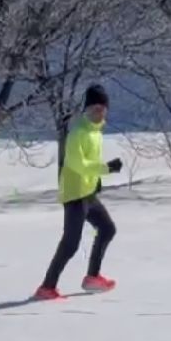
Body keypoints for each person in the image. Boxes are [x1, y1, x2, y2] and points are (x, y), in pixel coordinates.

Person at [34, 84, 123, 301]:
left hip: (88, 192)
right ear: (86, 109)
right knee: (71, 244)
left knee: (107, 229)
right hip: (74, 194)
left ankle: (92, 278)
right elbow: (78, 164)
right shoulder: (78, 132)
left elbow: (89, 164)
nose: (98, 112)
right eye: (94, 108)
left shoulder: (95, 132)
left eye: (102, 108)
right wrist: (105, 169)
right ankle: (47, 287)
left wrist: (97, 180)